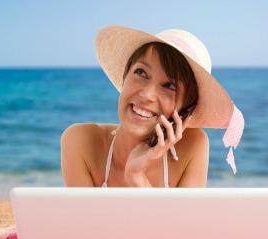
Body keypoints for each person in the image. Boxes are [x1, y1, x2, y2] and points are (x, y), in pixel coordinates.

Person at [61, 26, 244, 187]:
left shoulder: (192, 147)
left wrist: (137, 177)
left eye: (169, 86)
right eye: (141, 72)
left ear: (186, 109)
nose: (147, 95)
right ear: (125, 77)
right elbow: (85, 226)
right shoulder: (80, 142)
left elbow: (181, 227)